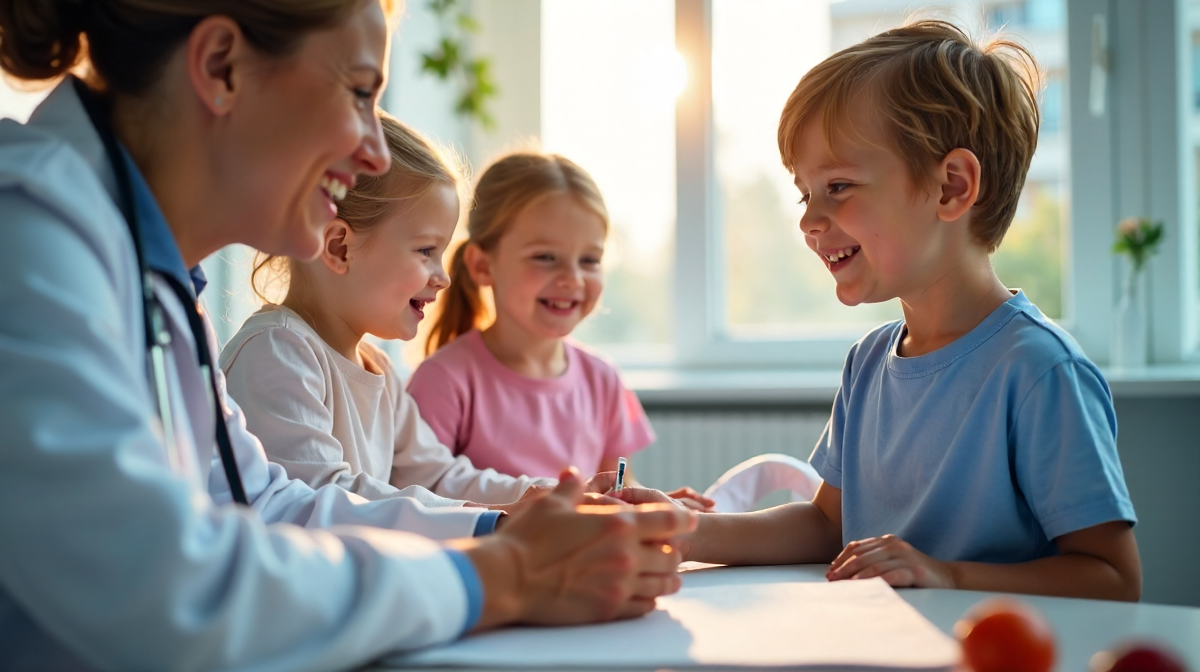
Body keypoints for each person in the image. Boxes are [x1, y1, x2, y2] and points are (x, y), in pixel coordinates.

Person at [0, 2, 694, 670]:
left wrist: (506, 529)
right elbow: (169, 593)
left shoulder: (154, 276)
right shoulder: (27, 242)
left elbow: (268, 505)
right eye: (360, 93)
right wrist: (502, 576)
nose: (373, 150)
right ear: (220, 67)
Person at [621, 20, 1142, 601]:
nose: (808, 219)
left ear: (951, 187)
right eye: (805, 193)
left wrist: (946, 574)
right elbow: (826, 525)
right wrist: (686, 530)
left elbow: (1113, 579)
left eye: (839, 186)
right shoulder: (868, 362)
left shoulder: (1040, 371)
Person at [220, 111, 560, 512]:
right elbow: (323, 499)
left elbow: (439, 476)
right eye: (426, 251)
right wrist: (491, 519)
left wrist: (553, 496)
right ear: (339, 248)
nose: (443, 278)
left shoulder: (377, 368)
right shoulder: (276, 352)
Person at [408, 151, 712, 509]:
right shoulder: (443, 381)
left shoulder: (603, 379)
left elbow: (618, 486)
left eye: (590, 260)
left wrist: (653, 505)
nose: (572, 278)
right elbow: (421, 501)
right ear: (482, 265)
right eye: (545, 257)